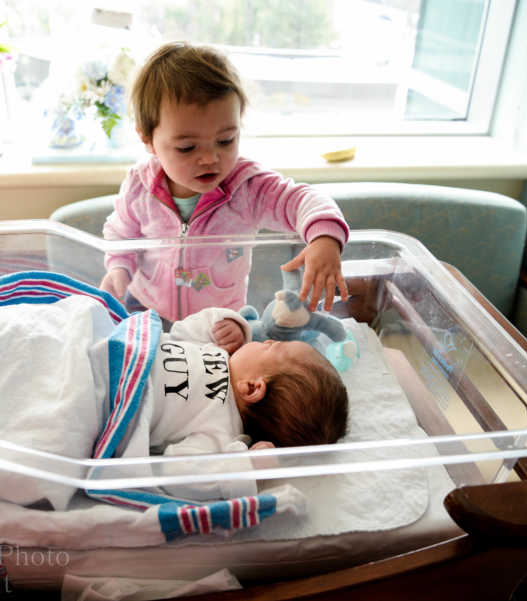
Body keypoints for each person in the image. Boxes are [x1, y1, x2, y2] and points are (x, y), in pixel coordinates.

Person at [100, 41, 351, 324]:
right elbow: (121, 235)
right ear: (148, 140)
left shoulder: (248, 187)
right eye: (187, 148)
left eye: (225, 141)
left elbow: (304, 200)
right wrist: (119, 269)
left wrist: (325, 238)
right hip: (146, 311)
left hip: (220, 320)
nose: (210, 158)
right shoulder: (139, 186)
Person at [141, 305, 348, 469]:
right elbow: (180, 332)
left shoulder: (220, 430)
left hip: (126, 395)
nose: (266, 339)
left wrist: (244, 467)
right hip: (135, 347)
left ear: (252, 388)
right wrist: (228, 325)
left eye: (271, 346)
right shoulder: (219, 352)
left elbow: (179, 470)